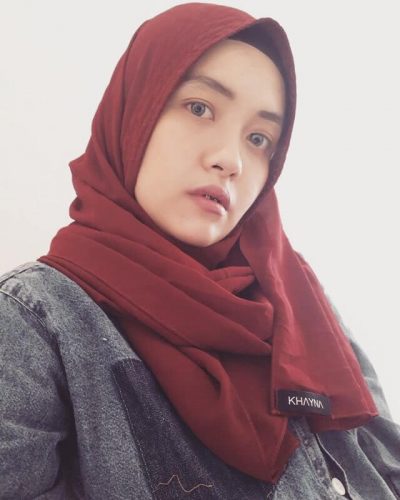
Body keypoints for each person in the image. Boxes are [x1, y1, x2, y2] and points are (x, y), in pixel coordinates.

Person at [0, 2, 399, 499]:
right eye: (199, 108)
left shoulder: (295, 298)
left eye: (259, 138)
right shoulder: (34, 323)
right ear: (135, 112)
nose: (231, 160)